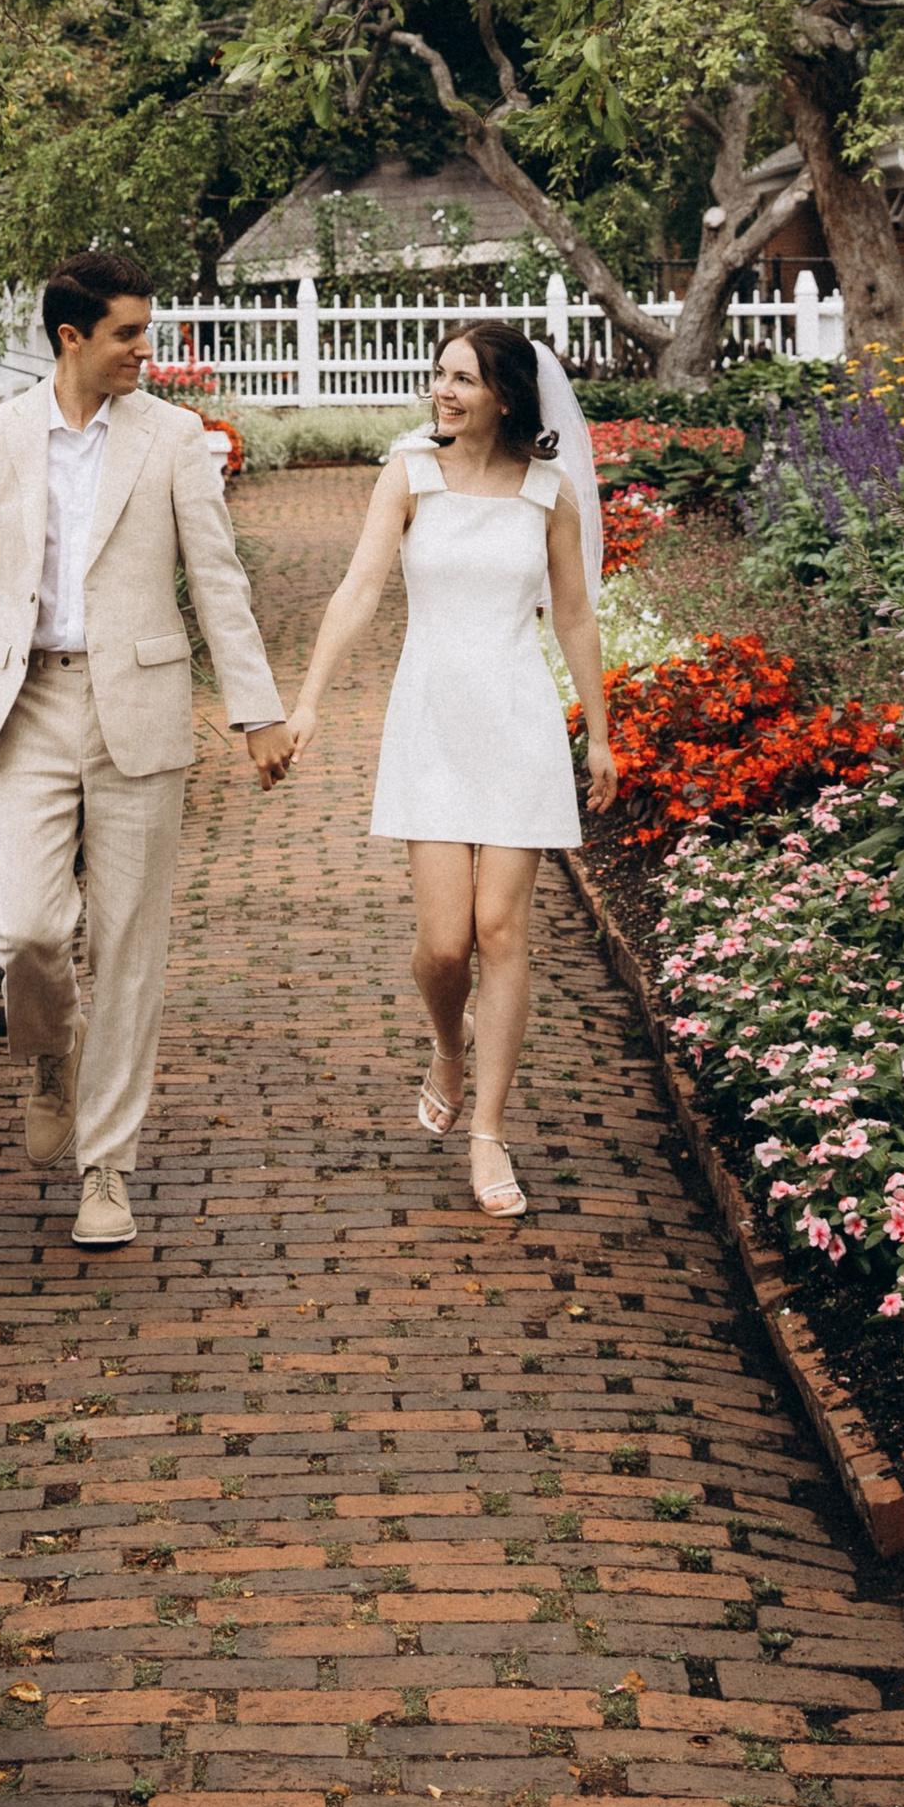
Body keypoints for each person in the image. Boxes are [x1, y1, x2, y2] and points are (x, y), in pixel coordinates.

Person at [0, 249, 291, 1248]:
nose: (144, 348)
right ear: (72, 337)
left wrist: (257, 712)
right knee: (26, 928)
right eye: (127, 332)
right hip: (27, 702)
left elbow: (218, 581)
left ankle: (106, 1170)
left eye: (145, 329)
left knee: (128, 944)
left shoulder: (173, 438)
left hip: (141, 706)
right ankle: (48, 1057)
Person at [277, 319, 616, 1218]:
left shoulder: (549, 494)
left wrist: (601, 735)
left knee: (502, 933)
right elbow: (359, 588)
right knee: (444, 946)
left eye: (463, 378)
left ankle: (489, 1133)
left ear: (505, 395)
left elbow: (574, 619)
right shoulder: (410, 473)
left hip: (518, 722)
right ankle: (447, 1044)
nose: (444, 391)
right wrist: (308, 699)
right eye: (439, 375)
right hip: (430, 720)